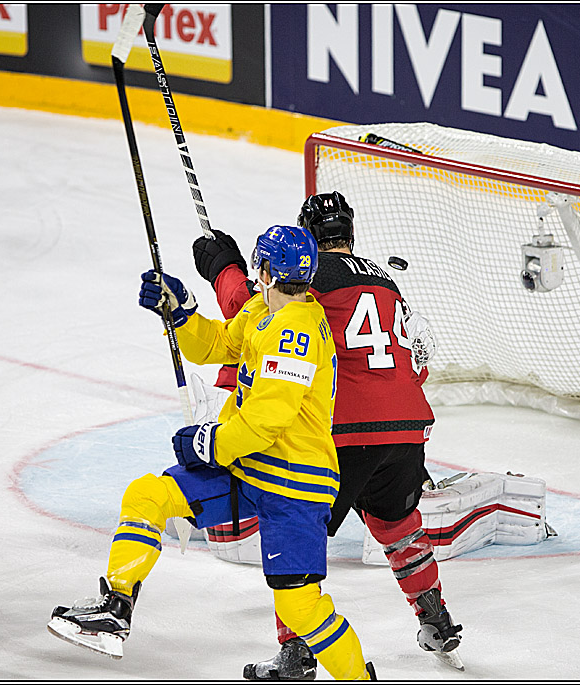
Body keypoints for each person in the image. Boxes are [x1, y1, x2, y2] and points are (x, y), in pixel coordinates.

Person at [47, 225, 375, 681]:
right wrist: (181, 315)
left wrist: (209, 444)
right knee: (149, 495)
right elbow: (220, 346)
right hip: (249, 467)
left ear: (263, 269)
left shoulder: (296, 333)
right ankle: (115, 607)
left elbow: (265, 423)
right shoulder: (265, 308)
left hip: (297, 482)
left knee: (299, 607)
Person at [193, 192, 462, 680]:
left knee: (295, 528)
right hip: (406, 427)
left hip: (345, 431)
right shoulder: (386, 281)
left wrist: (224, 269)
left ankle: (296, 653)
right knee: (399, 524)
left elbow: (251, 312)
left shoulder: (309, 278)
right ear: (350, 234)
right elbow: (415, 358)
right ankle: (435, 618)